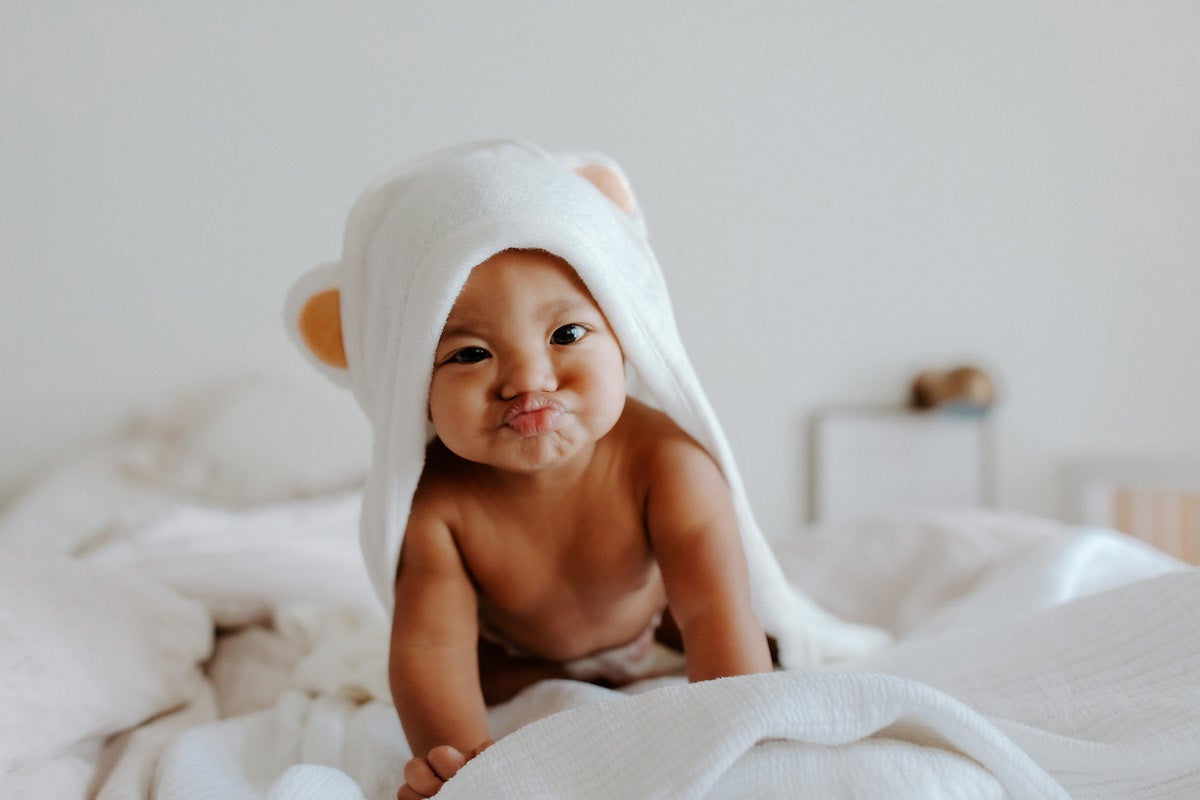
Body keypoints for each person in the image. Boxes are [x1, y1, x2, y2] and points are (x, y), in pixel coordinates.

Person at [391, 246, 773, 799]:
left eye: (566, 334)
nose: (527, 379)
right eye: (470, 353)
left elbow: (710, 605)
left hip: (649, 625)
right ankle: (565, 684)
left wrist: (737, 733)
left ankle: (633, 672)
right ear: (416, 392)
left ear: (625, 340)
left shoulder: (667, 461)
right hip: (513, 653)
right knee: (473, 677)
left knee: (749, 642)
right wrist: (461, 769)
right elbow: (431, 647)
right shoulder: (437, 503)